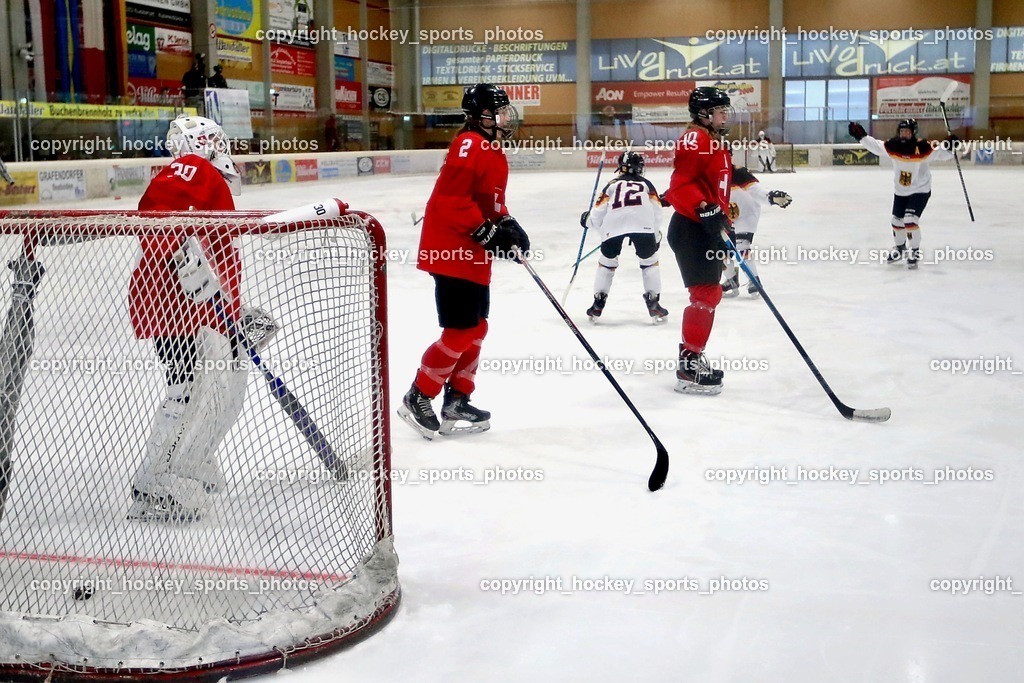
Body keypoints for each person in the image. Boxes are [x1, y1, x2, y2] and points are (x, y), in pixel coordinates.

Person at [127, 114, 276, 523]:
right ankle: (154, 483)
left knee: (227, 389)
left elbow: (215, 253)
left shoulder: (209, 177)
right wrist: (183, 260)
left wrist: (230, 307)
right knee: (187, 390)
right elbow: (158, 216)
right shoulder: (192, 167)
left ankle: (191, 461)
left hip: (202, 307)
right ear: (206, 141)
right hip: (176, 307)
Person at [398, 83, 529, 439]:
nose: (505, 117)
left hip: (471, 253)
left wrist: (506, 224)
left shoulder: (490, 149)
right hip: (452, 249)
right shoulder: (470, 143)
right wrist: (486, 232)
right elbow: (452, 201)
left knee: (478, 326)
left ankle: (457, 399)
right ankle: (419, 394)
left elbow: (489, 201)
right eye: (498, 111)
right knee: (461, 330)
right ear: (481, 116)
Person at [662, 86, 734, 396]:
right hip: (692, 228)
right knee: (705, 293)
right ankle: (688, 367)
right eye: (720, 110)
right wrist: (703, 209)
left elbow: (715, 182)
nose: (725, 115)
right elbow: (679, 186)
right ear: (704, 114)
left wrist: (721, 219)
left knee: (710, 294)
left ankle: (693, 357)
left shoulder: (713, 140)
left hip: (704, 227)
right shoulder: (697, 138)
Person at [848, 118, 958, 269]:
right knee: (896, 221)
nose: (904, 134)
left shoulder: (923, 146)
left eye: (907, 131)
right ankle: (900, 248)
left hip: (920, 190)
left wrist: (951, 147)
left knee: (910, 220)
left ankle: (914, 251)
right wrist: (862, 137)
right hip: (901, 190)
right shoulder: (894, 145)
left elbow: (942, 153)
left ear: (913, 132)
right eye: (902, 131)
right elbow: (876, 146)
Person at [580, 150, 668, 323]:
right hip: (643, 226)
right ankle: (653, 302)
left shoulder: (612, 185)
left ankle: (598, 301)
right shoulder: (646, 184)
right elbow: (657, 213)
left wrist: (587, 221)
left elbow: (596, 215)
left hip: (613, 226)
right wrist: (655, 234)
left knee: (607, 261)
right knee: (649, 261)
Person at [721, 166, 792, 298]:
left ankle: (754, 279)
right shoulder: (708, 172)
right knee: (718, 245)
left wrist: (770, 197)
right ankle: (731, 279)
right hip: (725, 213)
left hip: (747, 212)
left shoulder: (738, 172)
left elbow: (755, 189)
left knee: (742, 245)